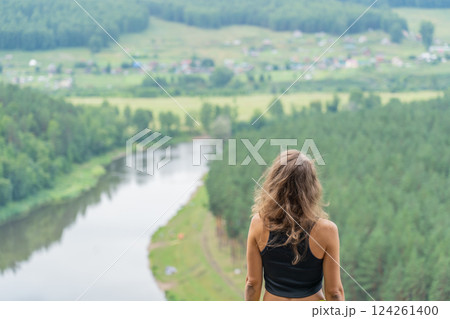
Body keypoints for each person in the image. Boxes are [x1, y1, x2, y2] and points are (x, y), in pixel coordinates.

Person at [245, 150, 345, 301]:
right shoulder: (327, 231)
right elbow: (334, 292)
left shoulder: (258, 224)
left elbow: (252, 283)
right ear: (311, 187)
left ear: (275, 183)